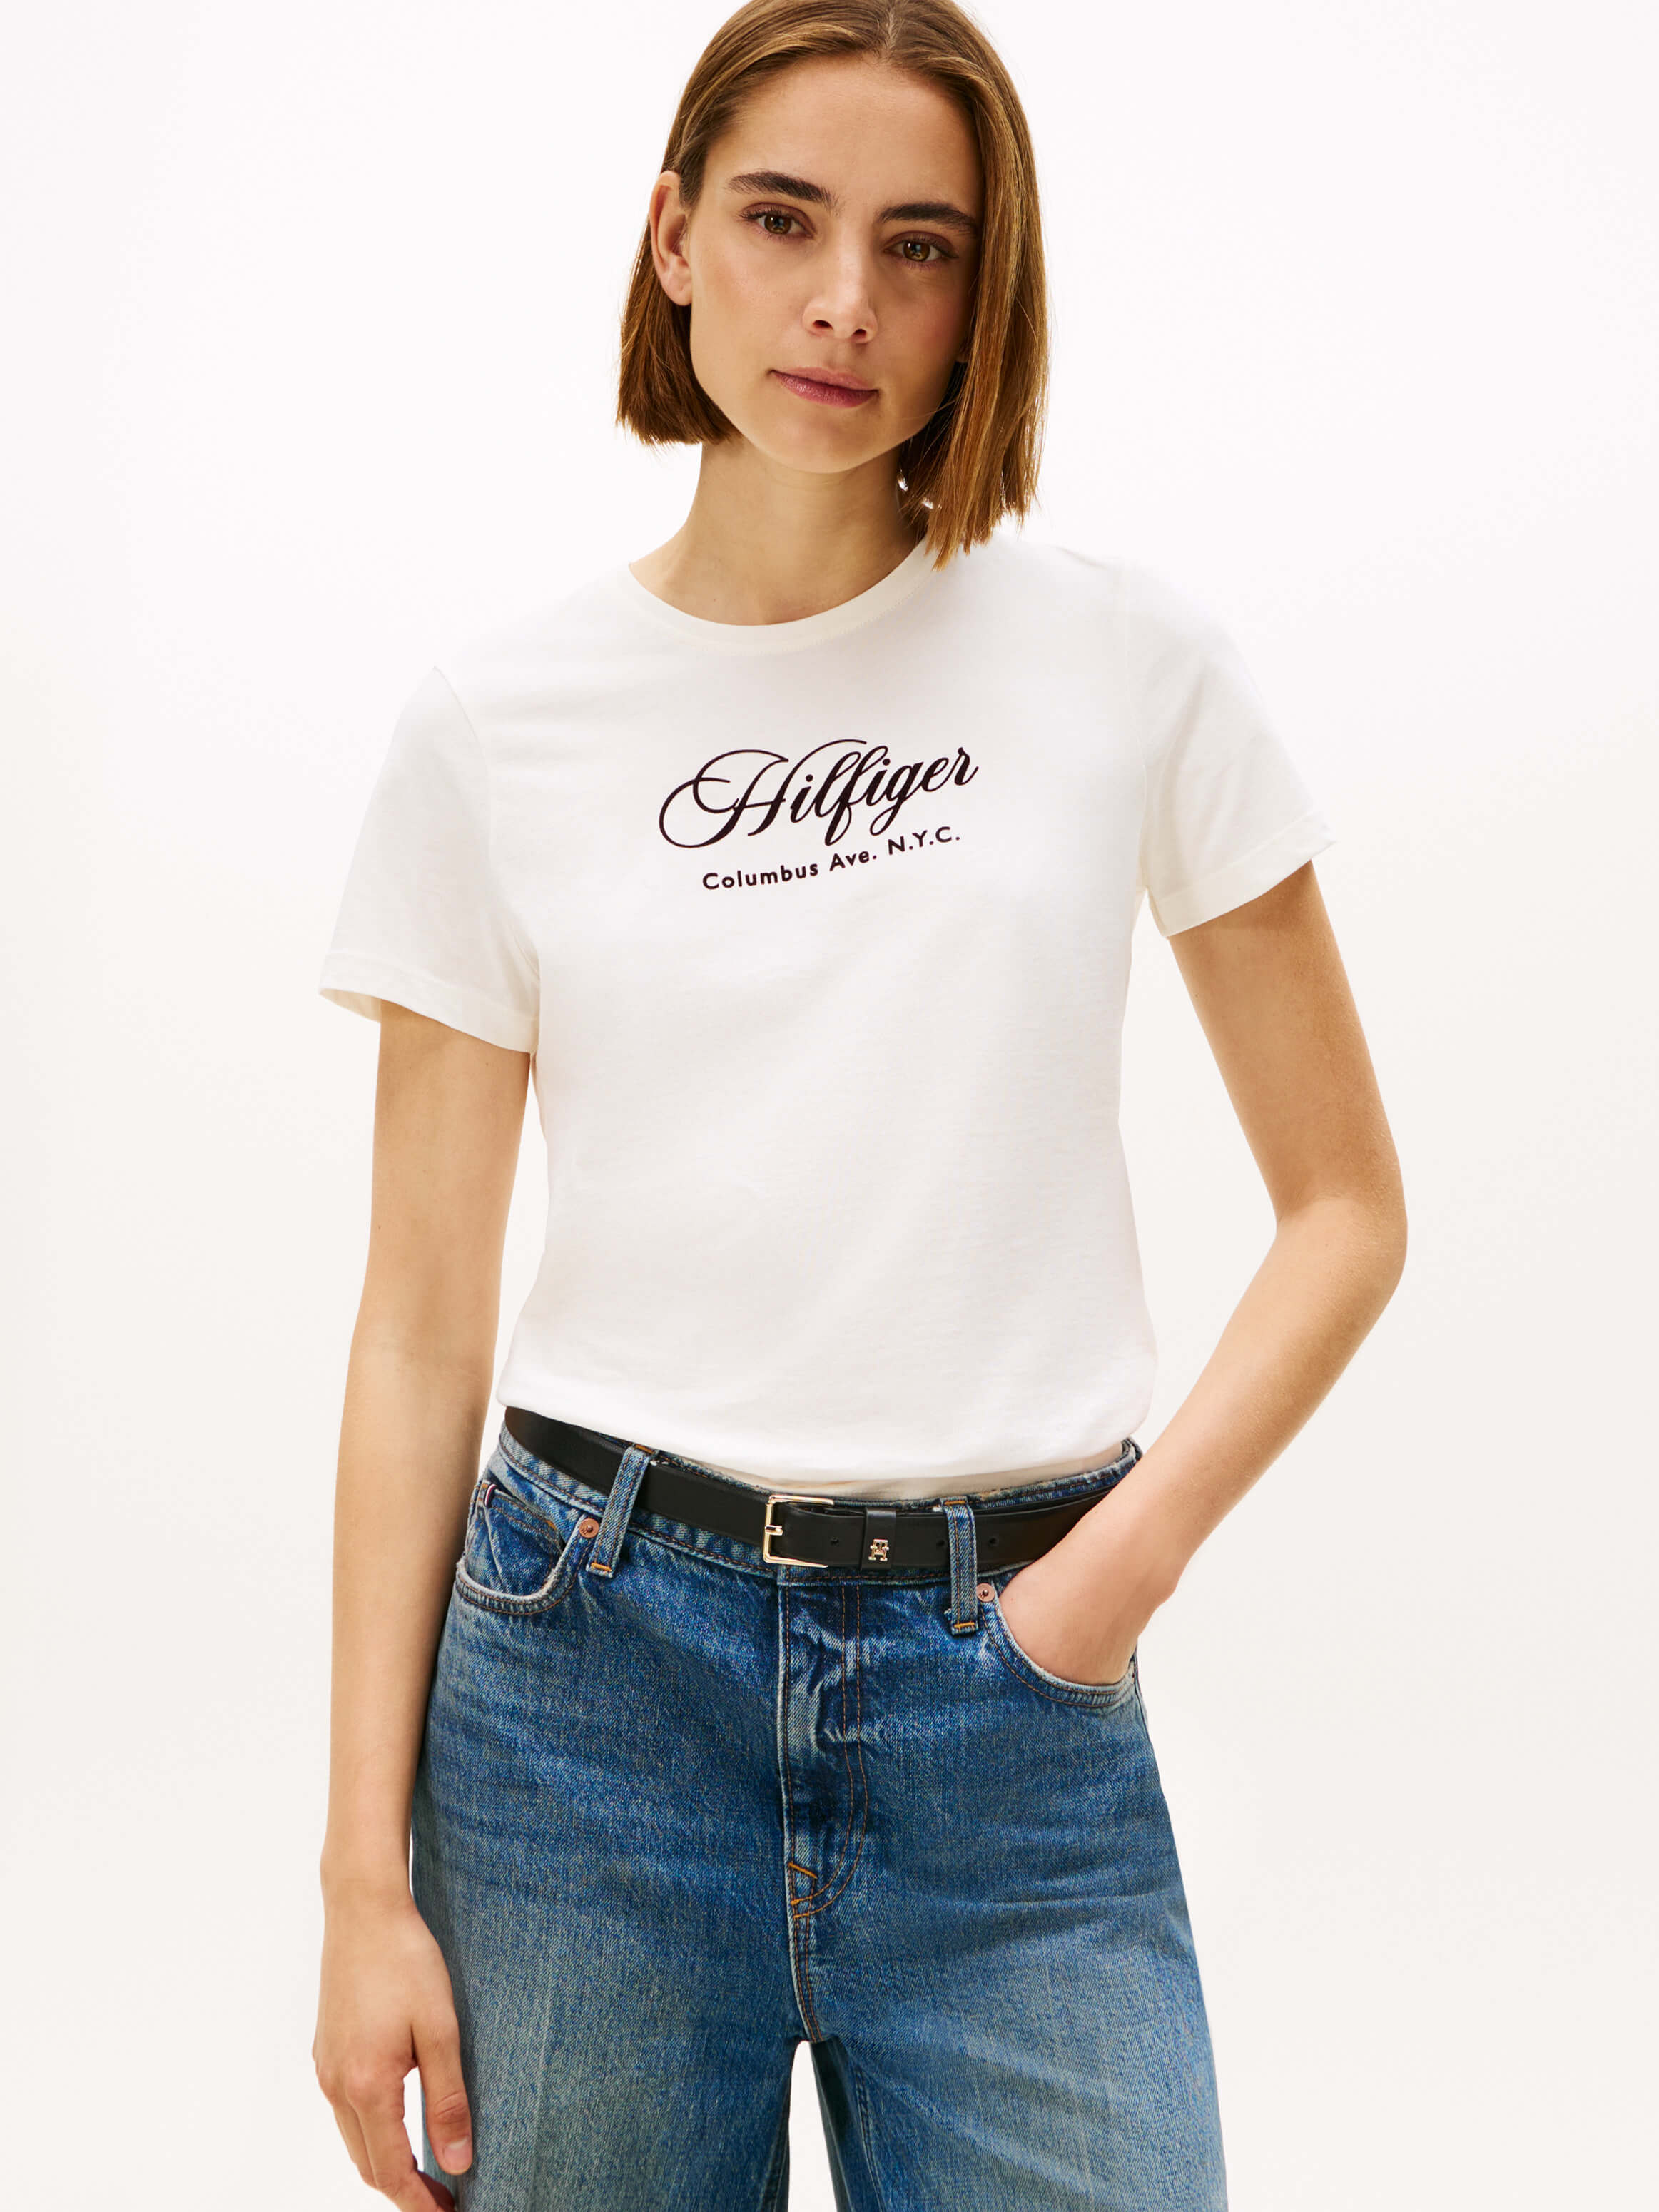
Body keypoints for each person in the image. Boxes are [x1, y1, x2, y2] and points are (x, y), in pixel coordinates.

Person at [309, 2, 1407, 2206]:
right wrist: (358, 1877)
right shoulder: (500, 725)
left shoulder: (1124, 662)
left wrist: (1108, 1577)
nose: (843, 301)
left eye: (921, 247)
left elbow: (1346, 1208)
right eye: (782, 220)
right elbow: (419, 1329)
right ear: (673, 239)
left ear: (988, 294)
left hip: (1019, 1705)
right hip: (588, 1690)